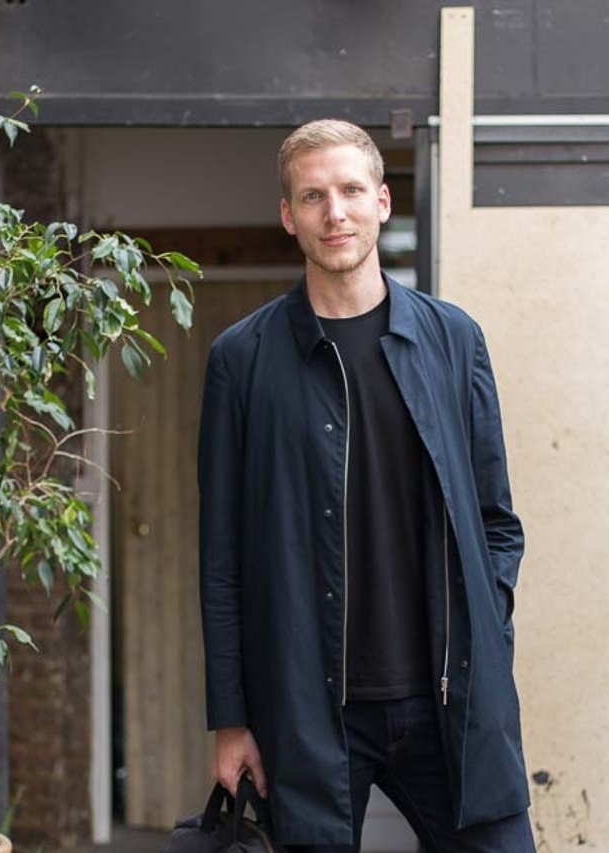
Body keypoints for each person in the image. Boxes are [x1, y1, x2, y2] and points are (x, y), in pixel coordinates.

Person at [198, 119, 534, 853]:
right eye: (313, 196)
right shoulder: (242, 361)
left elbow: (496, 520)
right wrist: (231, 720)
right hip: (310, 710)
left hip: (449, 700)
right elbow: (222, 560)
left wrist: (488, 621)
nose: (335, 212)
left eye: (351, 190)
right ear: (289, 216)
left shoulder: (454, 340)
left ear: (382, 200)